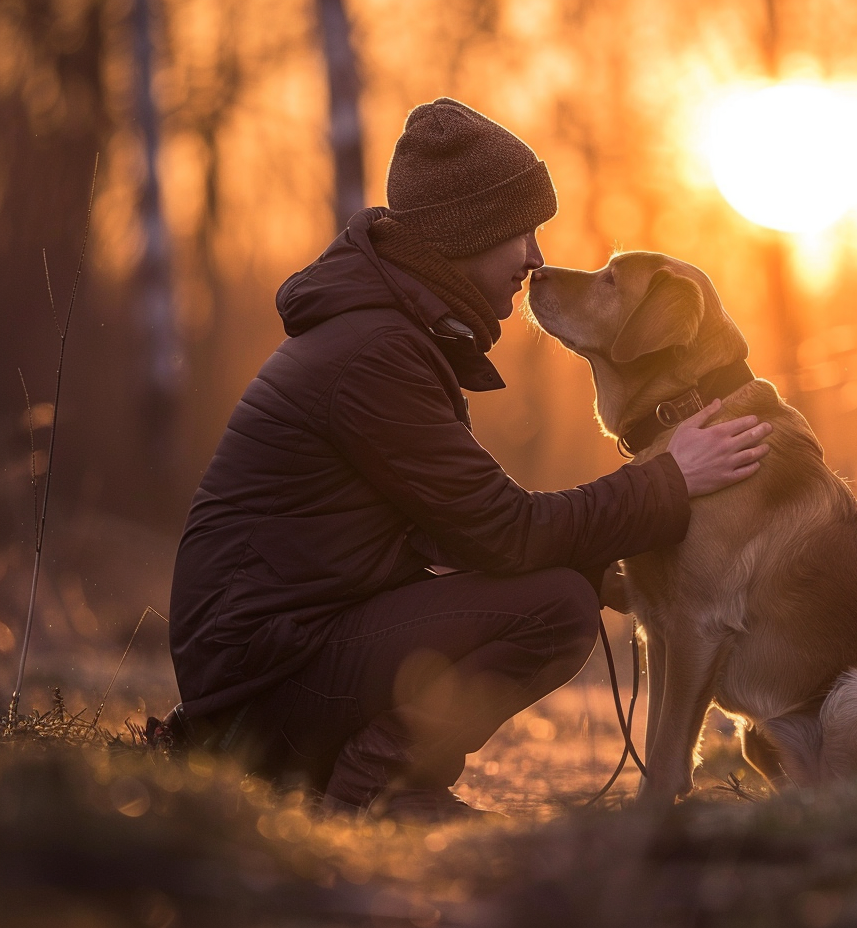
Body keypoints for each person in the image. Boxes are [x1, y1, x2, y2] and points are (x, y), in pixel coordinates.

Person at [166, 98, 772, 820]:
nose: (536, 258)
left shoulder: (387, 334)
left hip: (269, 664)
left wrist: (604, 564)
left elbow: (462, 537)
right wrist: (668, 481)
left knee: (562, 586)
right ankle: (376, 790)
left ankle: (363, 778)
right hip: (261, 688)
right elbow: (506, 532)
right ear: (468, 234)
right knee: (555, 610)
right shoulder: (375, 355)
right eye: (522, 233)